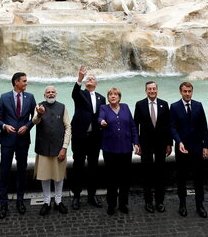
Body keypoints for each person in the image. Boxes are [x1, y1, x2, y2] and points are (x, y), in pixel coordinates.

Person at [0, 72, 37, 219]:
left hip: (23, 140)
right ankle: (3, 203)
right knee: (4, 172)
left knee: (21, 171)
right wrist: (4, 126)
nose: (26, 83)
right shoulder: (4, 97)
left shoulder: (30, 97)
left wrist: (27, 126)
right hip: (7, 140)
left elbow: (35, 117)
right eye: (24, 81)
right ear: (16, 82)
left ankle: (20, 201)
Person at [169, 82, 208, 218]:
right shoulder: (174, 107)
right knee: (181, 178)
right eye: (185, 91)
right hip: (182, 148)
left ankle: (200, 205)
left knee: (199, 178)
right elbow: (172, 127)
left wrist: (205, 146)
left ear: (192, 91)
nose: (187, 94)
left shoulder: (198, 105)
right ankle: (182, 204)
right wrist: (178, 142)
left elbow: (204, 126)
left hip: (197, 148)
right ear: (180, 92)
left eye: (189, 91)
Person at [98, 87, 139, 215]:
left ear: (119, 97)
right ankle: (111, 204)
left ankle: (123, 204)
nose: (113, 96)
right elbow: (100, 118)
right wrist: (102, 122)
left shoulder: (125, 107)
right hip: (110, 149)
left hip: (126, 148)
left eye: (115, 94)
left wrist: (136, 142)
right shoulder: (104, 108)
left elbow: (132, 125)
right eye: (110, 94)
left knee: (125, 178)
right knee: (112, 178)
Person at [70, 66, 105, 210]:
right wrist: (79, 77)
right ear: (85, 83)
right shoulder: (80, 94)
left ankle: (92, 195)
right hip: (80, 137)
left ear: (96, 84)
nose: (90, 79)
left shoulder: (101, 98)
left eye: (93, 78)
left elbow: (102, 115)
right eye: (88, 78)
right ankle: (76, 196)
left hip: (95, 138)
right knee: (78, 166)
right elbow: (74, 93)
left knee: (93, 167)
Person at [133, 81, 172, 213]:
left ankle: (160, 202)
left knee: (160, 174)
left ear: (157, 90)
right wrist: (137, 144)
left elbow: (169, 126)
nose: (152, 91)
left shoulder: (164, 104)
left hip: (161, 144)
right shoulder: (140, 105)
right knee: (147, 174)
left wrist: (169, 144)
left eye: (154, 89)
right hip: (145, 145)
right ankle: (148, 202)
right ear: (146, 91)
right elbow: (135, 125)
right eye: (149, 89)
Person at [33, 86, 72, 215]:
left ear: (56, 93)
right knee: (45, 177)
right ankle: (46, 202)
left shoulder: (62, 107)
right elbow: (35, 121)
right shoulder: (38, 106)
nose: (50, 94)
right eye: (48, 92)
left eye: (52, 92)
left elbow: (68, 127)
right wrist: (39, 113)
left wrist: (64, 147)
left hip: (59, 149)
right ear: (44, 95)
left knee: (59, 177)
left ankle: (58, 201)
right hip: (43, 148)